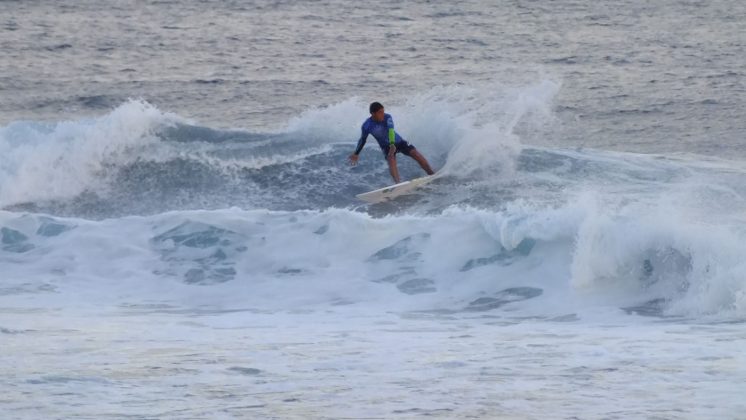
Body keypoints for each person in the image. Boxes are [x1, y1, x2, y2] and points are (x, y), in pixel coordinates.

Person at [348, 102, 435, 184]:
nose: (383, 114)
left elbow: (391, 130)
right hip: (386, 147)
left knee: (415, 153)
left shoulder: (387, 117)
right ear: (373, 113)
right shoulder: (367, 125)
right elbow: (363, 139)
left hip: (399, 141)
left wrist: (392, 143)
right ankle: (398, 185)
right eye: (380, 112)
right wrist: (356, 153)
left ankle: (431, 173)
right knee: (391, 160)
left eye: (383, 111)